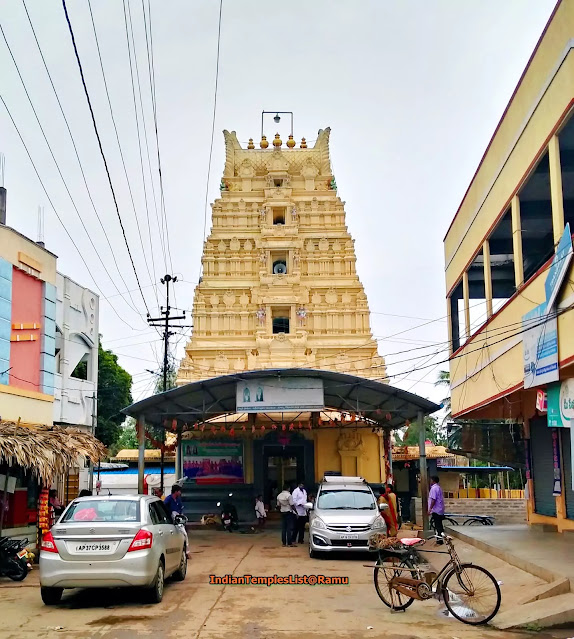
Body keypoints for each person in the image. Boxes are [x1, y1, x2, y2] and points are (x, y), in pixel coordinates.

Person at [428, 475, 445, 542]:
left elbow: (433, 500)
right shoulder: (438, 488)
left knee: (437, 525)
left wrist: (430, 509)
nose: (430, 481)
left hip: (436, 510)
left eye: (431, 480)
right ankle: (441, 538)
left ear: (433, 481)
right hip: (440, 509)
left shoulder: (434, 488)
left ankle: (439, 539)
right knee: (439, 525)